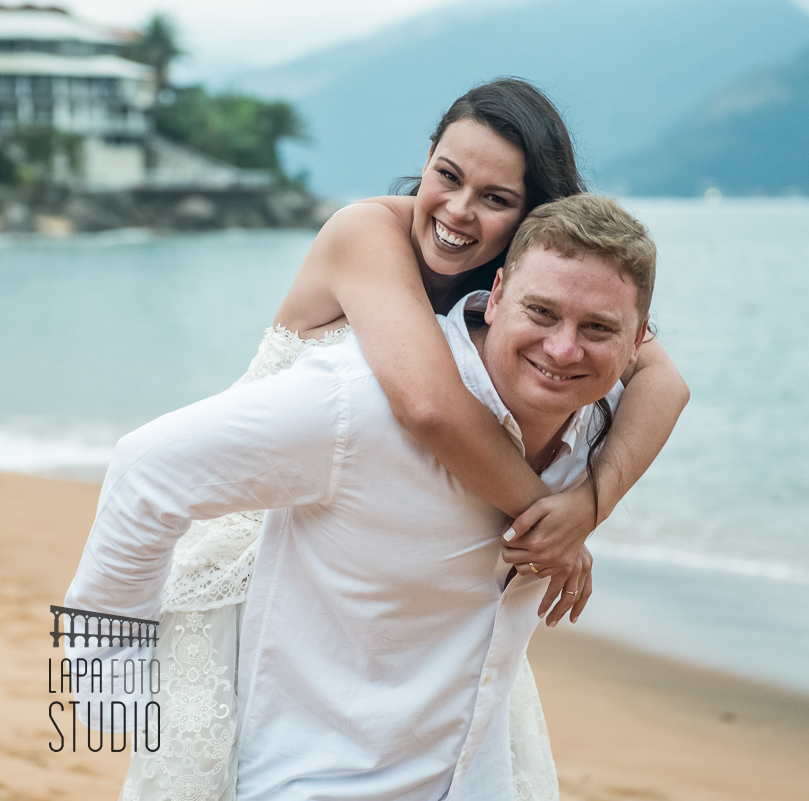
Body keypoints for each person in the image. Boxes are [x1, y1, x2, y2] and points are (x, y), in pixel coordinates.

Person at [111, 79, 687, 799]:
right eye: (447, 175)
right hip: (255, 552)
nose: (456, 210)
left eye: (496, 198)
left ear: (531, 218)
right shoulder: (369, 232)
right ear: (428, 158)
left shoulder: (523, 291)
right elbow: (428, 408)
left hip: (389, 568)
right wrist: (549, 519)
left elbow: (662, 381)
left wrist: (589, 505)